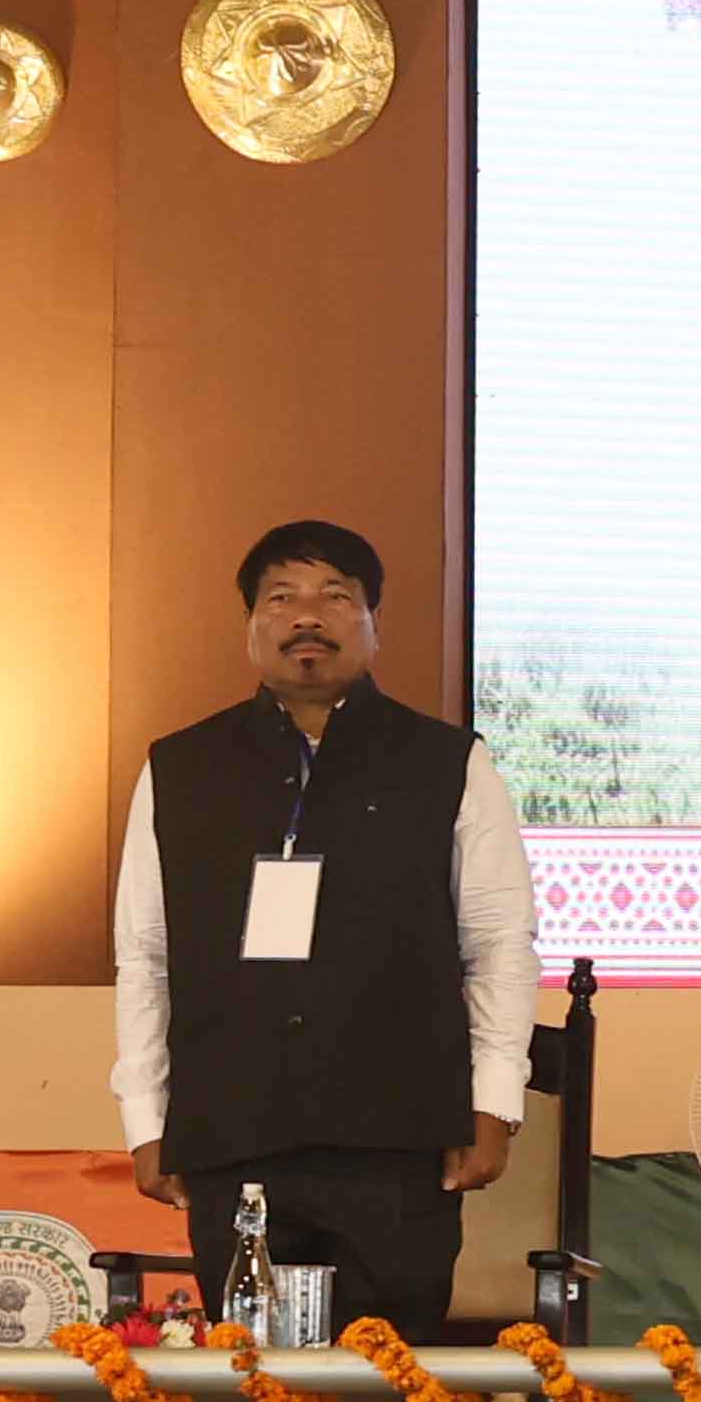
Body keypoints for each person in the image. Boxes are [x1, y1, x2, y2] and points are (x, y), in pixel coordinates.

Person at [114, 521, 538, 1338]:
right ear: (251, 625)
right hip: (233, 1132)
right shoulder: (179, 767)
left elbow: (498, 945)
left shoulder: (449, 762)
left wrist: (492, 1104)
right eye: (281, 597)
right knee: (255, 1383)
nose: (307, 615)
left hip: (396, 1136)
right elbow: (144, 954)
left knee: (392, 1377)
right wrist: (146, 1117)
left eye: (336, 596)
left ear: (373, 624)